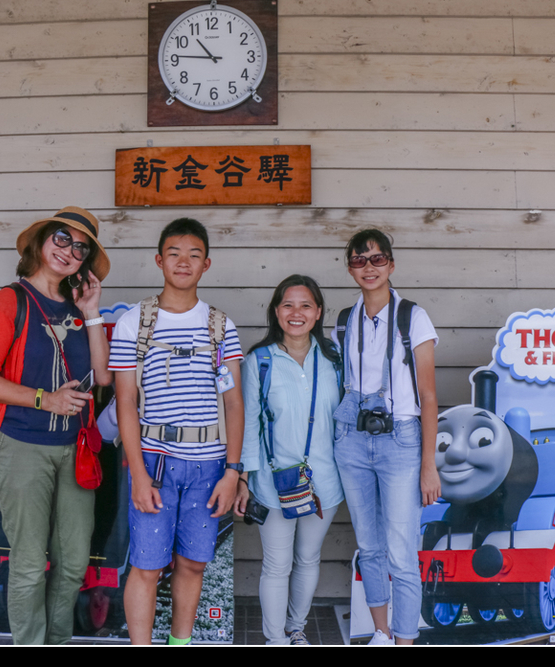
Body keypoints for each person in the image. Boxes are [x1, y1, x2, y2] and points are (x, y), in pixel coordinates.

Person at [0, 206, 112, 645]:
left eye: (80, 247)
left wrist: (92, 311)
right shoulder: (8, 301)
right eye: (62, 239)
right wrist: (45, 399)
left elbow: (103, 377)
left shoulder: (79, 307)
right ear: (41, 241)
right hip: (21, 444)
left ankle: (58, 641)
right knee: (29, 563)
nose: (69, 250)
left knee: (72, 562)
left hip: (76, 450)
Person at [110, 218, 244, 645]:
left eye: (193, 254)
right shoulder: (135, 323)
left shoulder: (221, 327)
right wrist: (138, 473)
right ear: (158, 260)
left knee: (193, 563)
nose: (183, 262)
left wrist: (233, 471)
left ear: (207, 263)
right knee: (147, 566)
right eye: (174, 253)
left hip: (209, 465)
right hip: (154, 462)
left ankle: (180, 642)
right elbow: (126, 402)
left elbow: (234, 402)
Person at [331, 229, 440, 646]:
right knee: (370, 547)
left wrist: (428, 465)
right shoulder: (344, 320)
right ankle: (380, 632)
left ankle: (405, 639)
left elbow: (429, 397)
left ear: (391, 264)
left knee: (401, 553)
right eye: (360, 261)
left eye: (377, 259)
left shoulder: (414, 317)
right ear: (350, 269)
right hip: (354, 440)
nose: (369, 268)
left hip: (401, 441)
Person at [235, 275, 344, 645]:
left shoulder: (334, 359)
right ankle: (274, 639)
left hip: (324, 482)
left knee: (309, 559)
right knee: (277, 565)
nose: (296, 313)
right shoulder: (259, 361)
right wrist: (244, 480)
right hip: (272, 481)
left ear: (317, 313)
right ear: (276, 311)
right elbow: (248, 424)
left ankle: (295, 630)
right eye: (288, 305)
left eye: (305, 305)